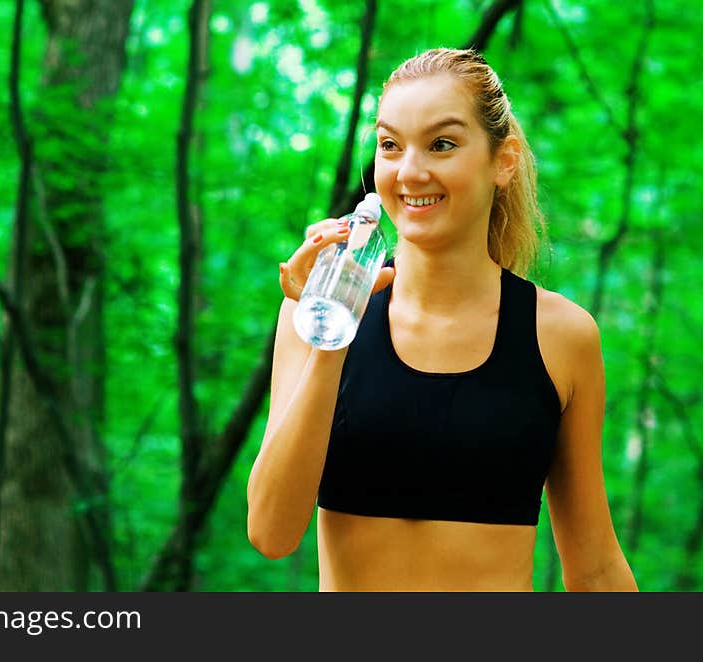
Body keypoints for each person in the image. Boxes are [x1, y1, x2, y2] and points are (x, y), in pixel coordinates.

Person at [246, 48, 638, 592]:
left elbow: (595, 567)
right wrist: (332, 330)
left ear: (503, 161)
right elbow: (271, 532)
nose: (410, 171)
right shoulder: (312, 315)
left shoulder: (561, 336)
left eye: (442, 144)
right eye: (390, 145)